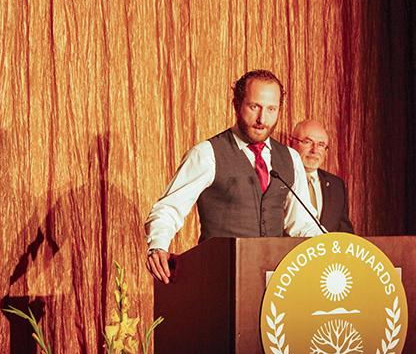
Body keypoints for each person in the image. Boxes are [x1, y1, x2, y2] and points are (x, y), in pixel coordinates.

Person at [145, 70, 322, 283]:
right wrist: (158, 245)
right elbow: (169, 208)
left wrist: (334, 251)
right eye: (254, 107)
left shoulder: (290, 158)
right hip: (220, 278)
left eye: (271, 109)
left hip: (276, 283)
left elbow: (303, 223)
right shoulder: (207, 154)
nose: (262, 119)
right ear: (236, 104)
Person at [290, 119, 354, 234]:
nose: (314, 150)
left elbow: (345, 232)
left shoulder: (337, 186)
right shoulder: (279, 179)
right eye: (307, 142)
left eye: (321, 145)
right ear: (291, 143)